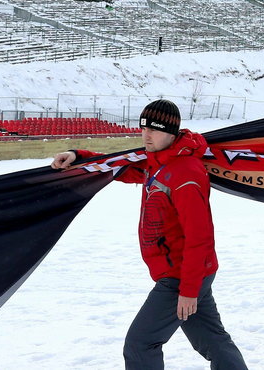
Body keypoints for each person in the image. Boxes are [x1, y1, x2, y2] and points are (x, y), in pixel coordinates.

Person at [51, 99, 248, 370]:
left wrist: (188, 291)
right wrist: (79, 156)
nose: (146, 135)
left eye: (153, 130)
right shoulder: (157, 161)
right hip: (189, 273)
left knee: (141, 343)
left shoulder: (187, 174)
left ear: (171, 132)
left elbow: (200, 238)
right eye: (143, 128)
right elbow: (121, 167)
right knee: (213, 341)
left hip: (182, 276)